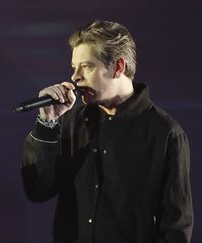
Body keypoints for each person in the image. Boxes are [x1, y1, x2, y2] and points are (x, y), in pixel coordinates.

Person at [21, 20, 193, 243]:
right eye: (74, 67)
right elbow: (37, 190)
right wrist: (47, 123)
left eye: (87, 66)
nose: (75, 77)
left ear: (118, 67)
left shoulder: (165, 133)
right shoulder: (71, 122)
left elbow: (176, 226)